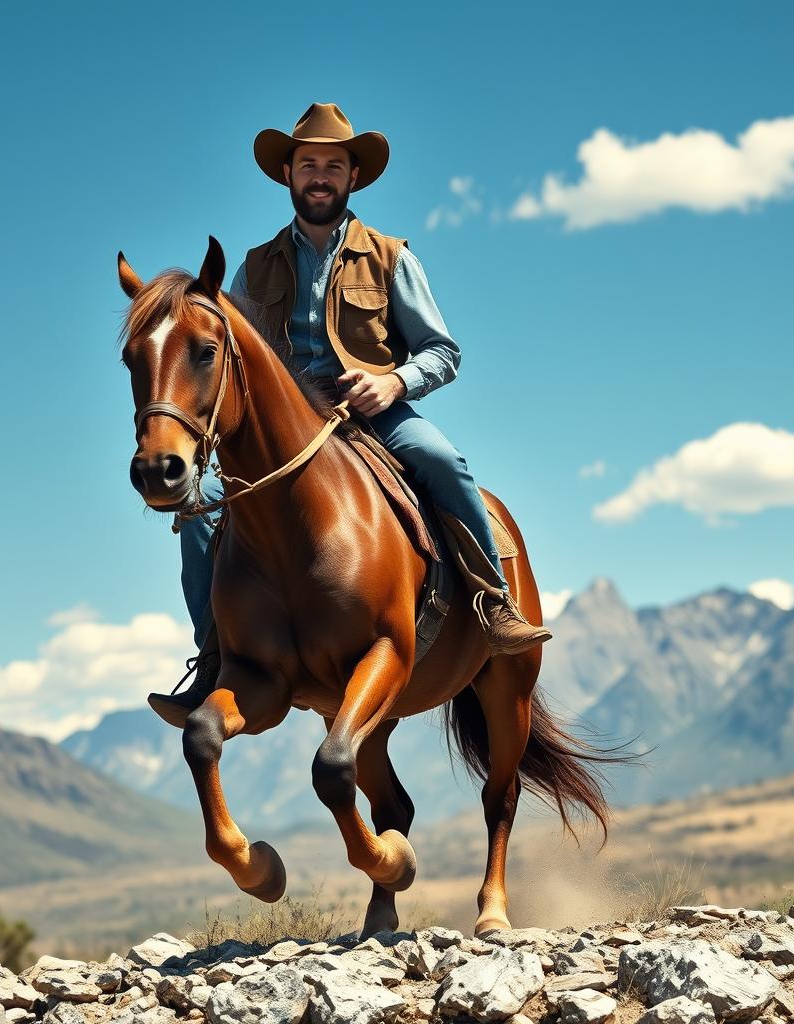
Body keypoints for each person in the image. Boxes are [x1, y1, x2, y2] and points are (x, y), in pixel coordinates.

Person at [161, 102, 550, 721]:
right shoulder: (254, 268)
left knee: (442, 460)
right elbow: (231, 359)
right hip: (287, 428)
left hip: (370, 412)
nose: (320, 176)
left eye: (333, 166)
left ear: (353, 177)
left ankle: (493, 604)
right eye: (308, 165)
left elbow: (443, 351)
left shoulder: (392, 257)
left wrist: (393, 382)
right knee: (199, 507)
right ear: (288, 175)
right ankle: (214, 654)